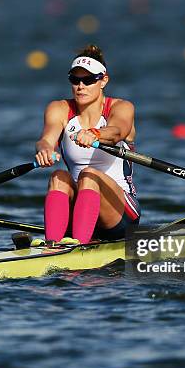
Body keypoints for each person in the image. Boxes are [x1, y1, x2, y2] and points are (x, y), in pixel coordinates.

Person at [34, 44, 140, 244]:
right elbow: (46, 139)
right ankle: (53, 245)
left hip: (121, 214)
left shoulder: (121, 107)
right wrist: (45, 150)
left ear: (103, 81)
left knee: (88, 175)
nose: (80, 86)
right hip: (80, 210)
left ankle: (78, 246)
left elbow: (117, 131)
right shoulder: (59, 108)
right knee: (58, 176)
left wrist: (96, 134)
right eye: (75, 80)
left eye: (89, 80)